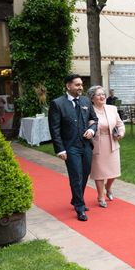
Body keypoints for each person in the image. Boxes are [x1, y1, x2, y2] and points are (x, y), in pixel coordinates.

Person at [48, 74, 98, 221]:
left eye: (81, 85)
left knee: (85, 173)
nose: (81, 87)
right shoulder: (57, 104)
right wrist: (60, 149)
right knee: (76, 176)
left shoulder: (85, 101)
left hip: (86, 145)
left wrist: (92, 129)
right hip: (70, 147)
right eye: (77, 85)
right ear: (68, 86)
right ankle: (80, 207)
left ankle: (77, 199)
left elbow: (94, 119)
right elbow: (54, 128)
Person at [88, 86, 125, 208]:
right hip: (97, 144)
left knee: (114, 172)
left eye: (103, 94)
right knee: (99, 172)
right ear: (92, 98)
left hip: (112, 143)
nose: (102, 96)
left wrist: (121, 133)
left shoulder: (112, 109)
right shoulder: (88, 110)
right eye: (98, 94)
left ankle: (108, 187)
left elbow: (120, 124)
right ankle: (100, 196)